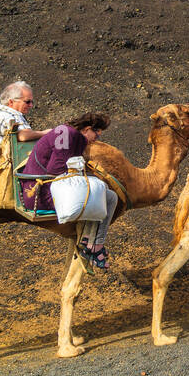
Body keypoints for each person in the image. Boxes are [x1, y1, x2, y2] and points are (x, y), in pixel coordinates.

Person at [21, 113, 118, 269]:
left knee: (104, 193)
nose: (96, 139)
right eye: (96, 134)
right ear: (87, 129)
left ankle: (89, 240)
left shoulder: (70, 134)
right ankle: (94, 245)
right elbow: (56, 169)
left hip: (42, 187)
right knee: (106, 198)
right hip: (41, 193)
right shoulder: (69, 135)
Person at [0, 80, 46, 159]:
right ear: (11, 102)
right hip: (10, 162)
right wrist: (45, 133)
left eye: (31, 102)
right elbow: (24, 136)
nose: (31, 105)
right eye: (27, 102)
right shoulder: (13, 115)